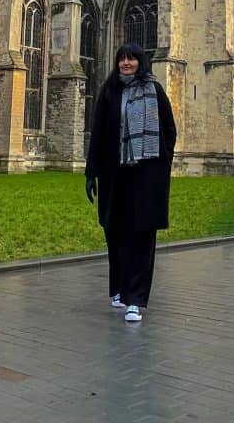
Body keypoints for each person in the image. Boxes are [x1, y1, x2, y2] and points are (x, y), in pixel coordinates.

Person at [85, 42, 177, 323]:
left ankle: (135, 299)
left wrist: (159, 165)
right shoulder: (110, 91)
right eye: (122, 59)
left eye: (131, 59)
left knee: (141, 234)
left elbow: (170, 131)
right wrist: (92, 172)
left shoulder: (154, 90)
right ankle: (118, 289)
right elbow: (98, 132)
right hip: (115, 173)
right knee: (116, 232)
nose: (126, 63)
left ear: (140, 62)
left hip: (144, 174)